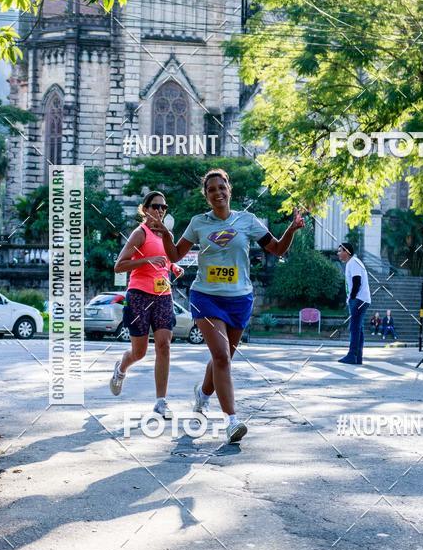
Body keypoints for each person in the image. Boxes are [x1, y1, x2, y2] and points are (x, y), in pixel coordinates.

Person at [150, 168, 304, 444]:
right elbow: (174, 255)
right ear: (206, 196)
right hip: (206, 297)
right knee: (221, 356)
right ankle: (232, 421)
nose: (217, 193)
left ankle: (203, 394)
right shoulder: (198, 223)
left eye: (222, 187)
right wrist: (165, 235)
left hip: (240, 299)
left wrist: (291, 229)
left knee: (224, 358)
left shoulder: (247, 220)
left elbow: (278, 249)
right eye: (211, 190)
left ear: (229, 190)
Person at [109, 191, 183, 418]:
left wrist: (173, 268)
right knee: (139, 352)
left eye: (164, 207)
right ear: (145, 209)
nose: (160, 210)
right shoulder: (139, 234)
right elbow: (119, 265)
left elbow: (166, 259)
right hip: (139, 295)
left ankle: (161, 401)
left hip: (163, 295)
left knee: (164, 345)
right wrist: (147, 260)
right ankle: (121, 367)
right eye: (155, 206)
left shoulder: (166, 235)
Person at [336, 243, 371, 365]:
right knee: (358, 328)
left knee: (354, 328)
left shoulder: (354, 262)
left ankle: (352, 356)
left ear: (347, 252)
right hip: (361, 299)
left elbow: (357, 281)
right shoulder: (352, 263)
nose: (338, 253)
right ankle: (357, 357)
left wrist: (352, 298)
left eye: (340, 251)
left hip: (359, 299)